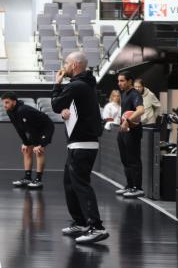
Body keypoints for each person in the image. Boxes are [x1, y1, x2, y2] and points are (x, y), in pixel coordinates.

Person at [51, 51, 108, 244]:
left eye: (66, 63)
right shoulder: (85, 85)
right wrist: (68, 112)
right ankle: (81, 222)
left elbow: (56, 104)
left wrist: (57, 84)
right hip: (80, 143)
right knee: (70, 183)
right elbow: (70, 109)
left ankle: (96, 227)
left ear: (75, 65)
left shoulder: (76, 85)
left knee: (81, 184)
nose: (63, 66)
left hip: (82, 144)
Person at [2, 92, 55, 189]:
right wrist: (25, 142)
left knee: (39, 151)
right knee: (26, 151)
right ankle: (27, 178)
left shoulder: (23, 110)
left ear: (14, 102)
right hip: (33, 129)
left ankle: (38, 180)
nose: (4, 105)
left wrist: (39, 144)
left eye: (7, 102)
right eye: (4, 103)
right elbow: (18, 128)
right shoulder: (10, 111)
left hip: (45, 128)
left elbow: (32, 128)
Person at [116, 72, 145, 199]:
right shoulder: (124, 94)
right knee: (125, 160)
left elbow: (141, 110)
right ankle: (130, 185)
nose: (120, 83)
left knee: (133, 160)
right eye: (118, 81)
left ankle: (138, 188)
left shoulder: (135, 94)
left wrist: (128, 121)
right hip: (123, 131)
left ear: (130, 81)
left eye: (122, 81)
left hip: (133, 131)